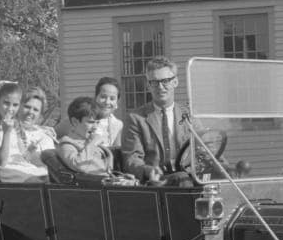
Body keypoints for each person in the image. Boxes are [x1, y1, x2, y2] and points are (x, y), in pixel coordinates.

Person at [122, 55, 192, 184]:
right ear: (148, 86)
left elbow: (206, 149)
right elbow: (131, 160)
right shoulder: (135, 118)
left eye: (165, 81)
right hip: (156, 182)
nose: (160, 87)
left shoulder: (189, 115)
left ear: (175, 82)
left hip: (189, 177)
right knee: (182, 178)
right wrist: (148, 170)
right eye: (154, 82)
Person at [0, 81, 53, 182]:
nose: (10, 109)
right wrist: (6, 132)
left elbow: (25, 155)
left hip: (21, 166)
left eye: (15, 105)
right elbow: (1, 161)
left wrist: (31, 149)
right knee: (35, 182)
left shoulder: (15, 124)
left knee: (53, 178)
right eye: (6, 103)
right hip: (4, 171)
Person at [55, 96, 116, 175]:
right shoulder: (66, 144)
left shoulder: (89, 142)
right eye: (90, 122)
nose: (95, 127)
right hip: (90, 185)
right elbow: (79, 164)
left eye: (97, 122)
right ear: (75, 122)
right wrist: (93, 142)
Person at [92, 76, 123, 149]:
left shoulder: (117, 125)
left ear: (116, 102)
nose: (107, 102)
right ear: (95, 97)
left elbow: (117, 153)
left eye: (112, 98)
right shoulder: (81, 118)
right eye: (103, 97)